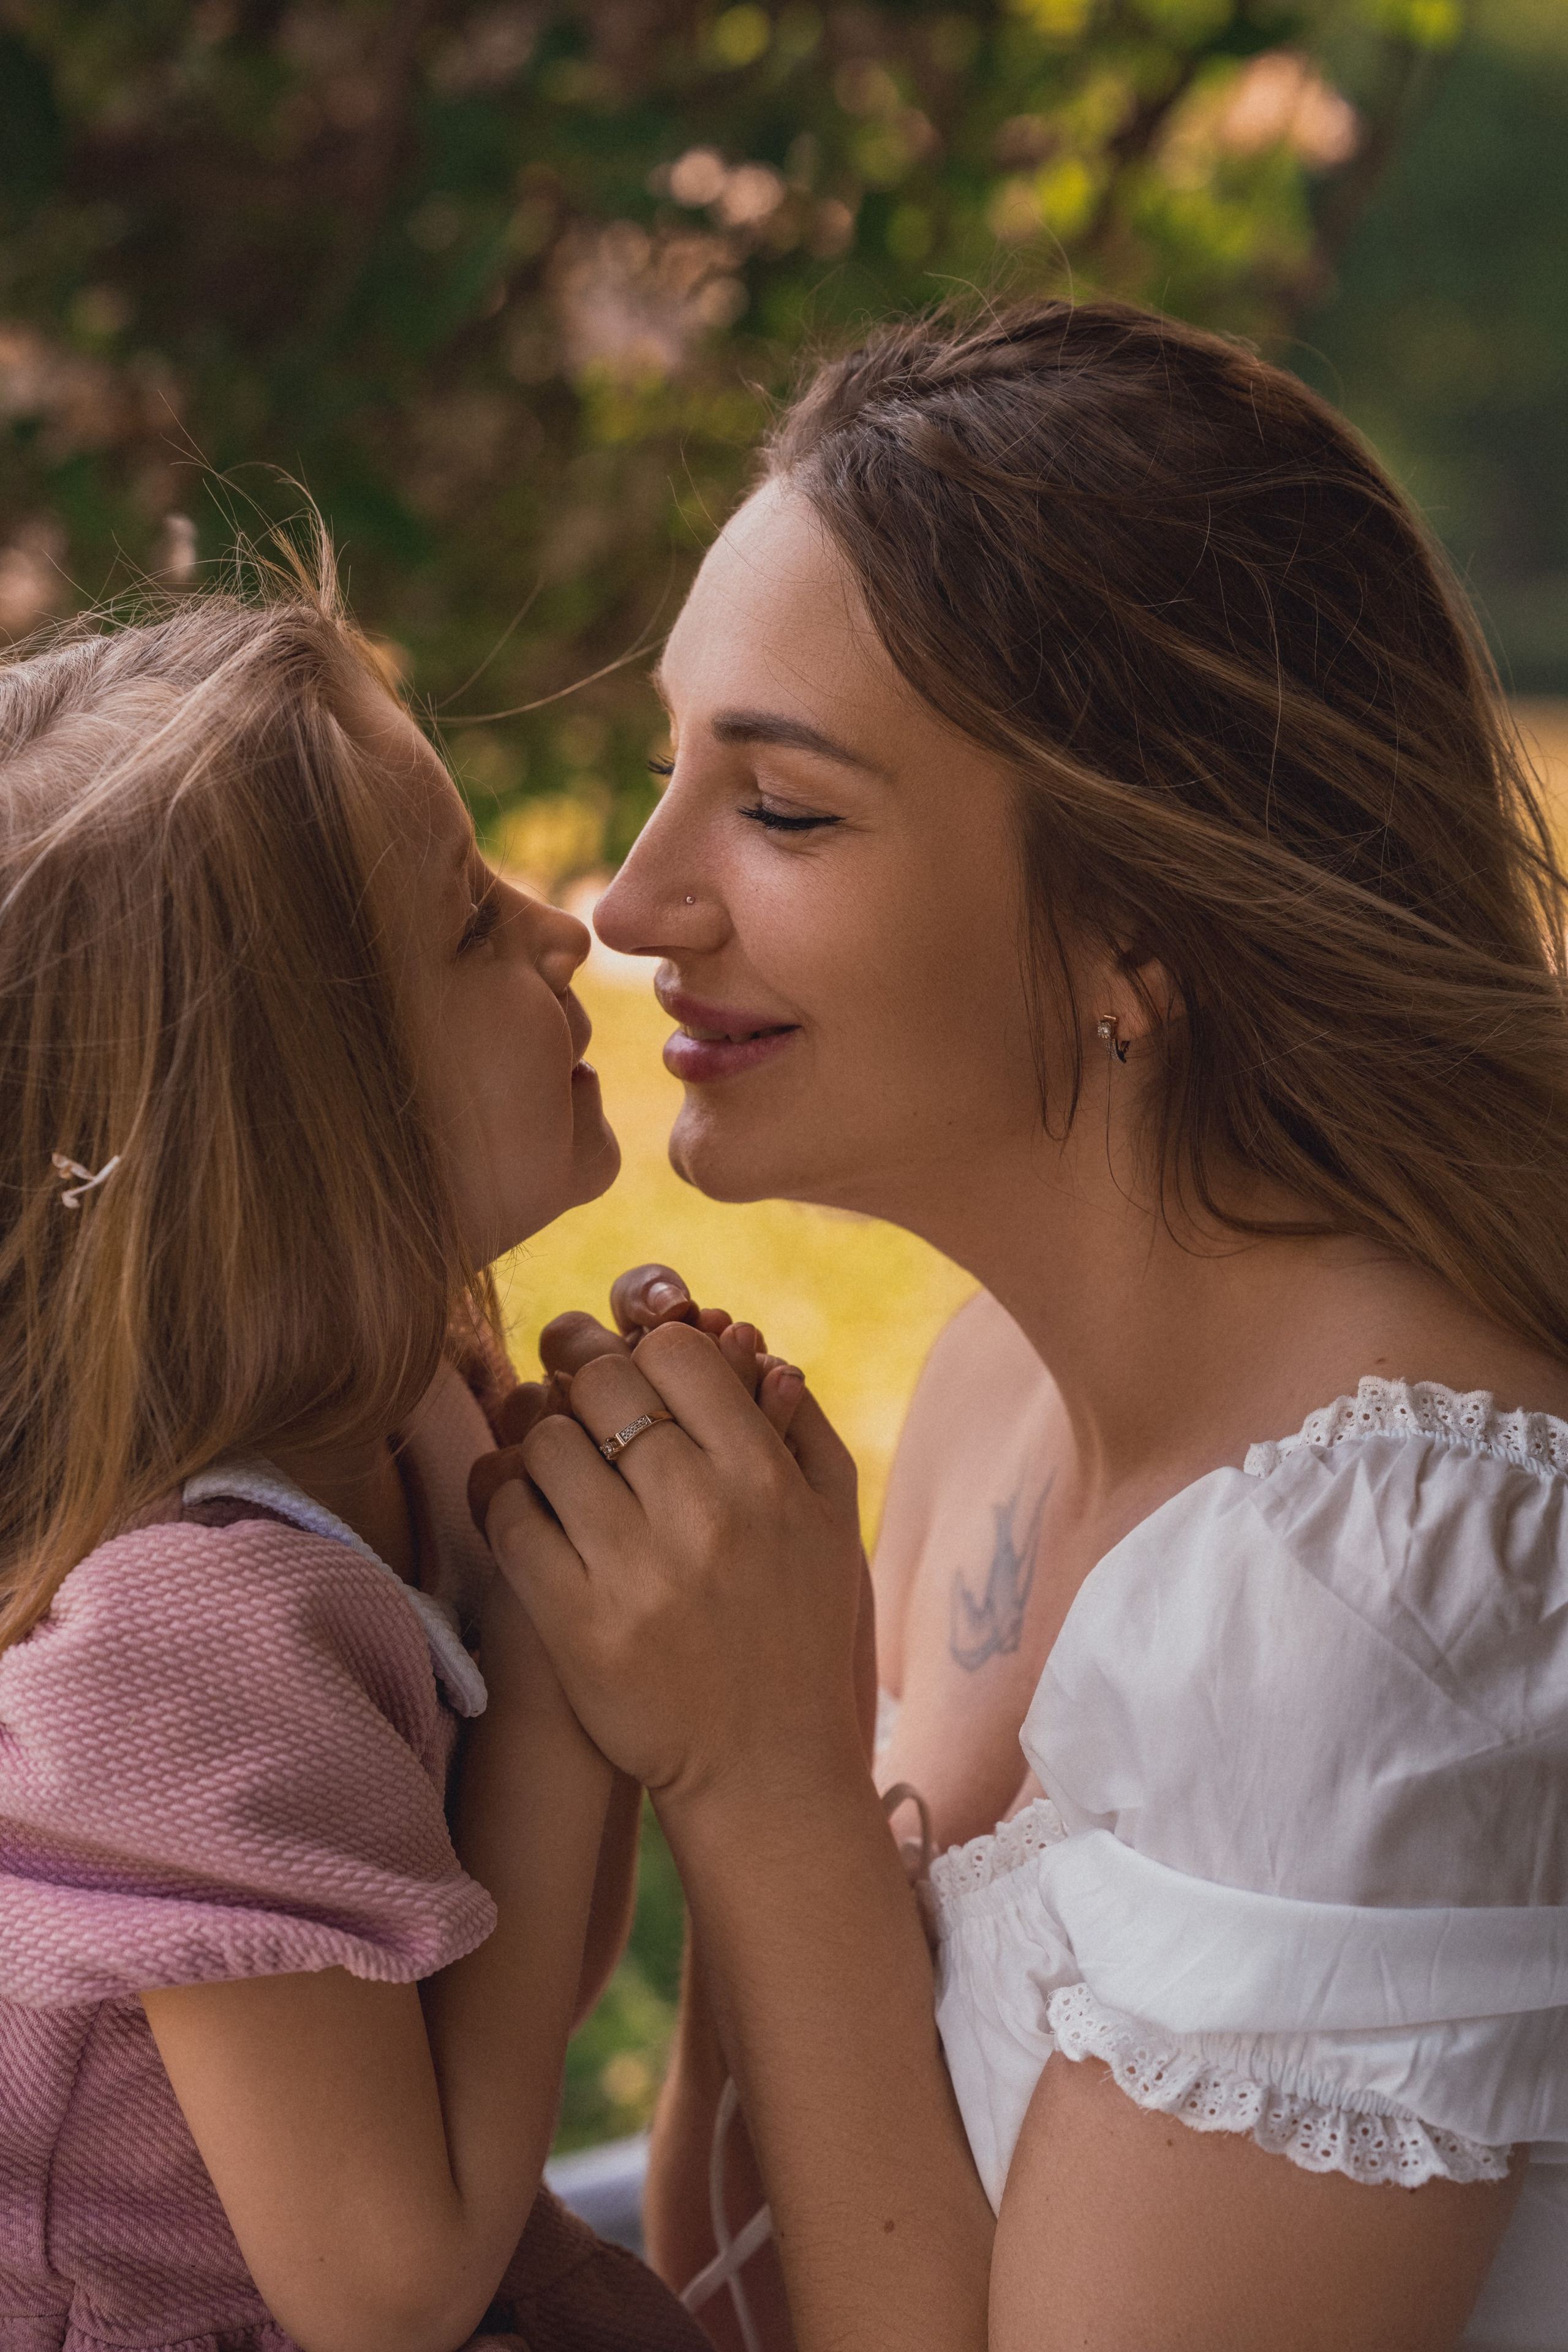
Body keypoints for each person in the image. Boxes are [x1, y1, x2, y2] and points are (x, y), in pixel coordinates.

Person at [476, 300, 1568, 2352]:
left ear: (1138, 915)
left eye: (781, 812)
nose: (629, 902)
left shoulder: (1374, 1591)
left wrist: (771, 1789)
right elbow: (759, 2230)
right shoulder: (999, 1388)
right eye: (665, 773)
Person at [0, 564, 737, 2352]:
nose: (563, 930)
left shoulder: (410, 1412)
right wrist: (567, 1675)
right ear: (289, 1125)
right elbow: (388, 2286)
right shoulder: (195, 1637)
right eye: (469, 927)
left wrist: (577, 1574)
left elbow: (496, 1971)